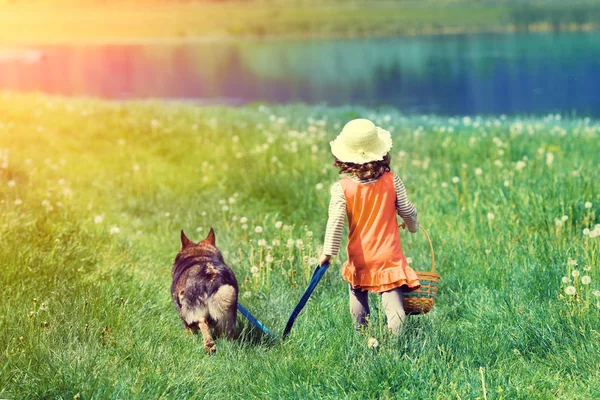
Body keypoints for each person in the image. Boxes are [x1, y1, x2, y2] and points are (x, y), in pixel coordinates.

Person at [319, 118, 420, 334]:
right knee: (393, 303)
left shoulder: (342, 188)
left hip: (360, 255)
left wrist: (328, 252)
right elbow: (408, 211)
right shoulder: (393, 181)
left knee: (358, 294)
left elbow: (335, 221)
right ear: (380, 153)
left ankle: (363, 336)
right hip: (389, 256)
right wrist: (412, 226)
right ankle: (395, 344)